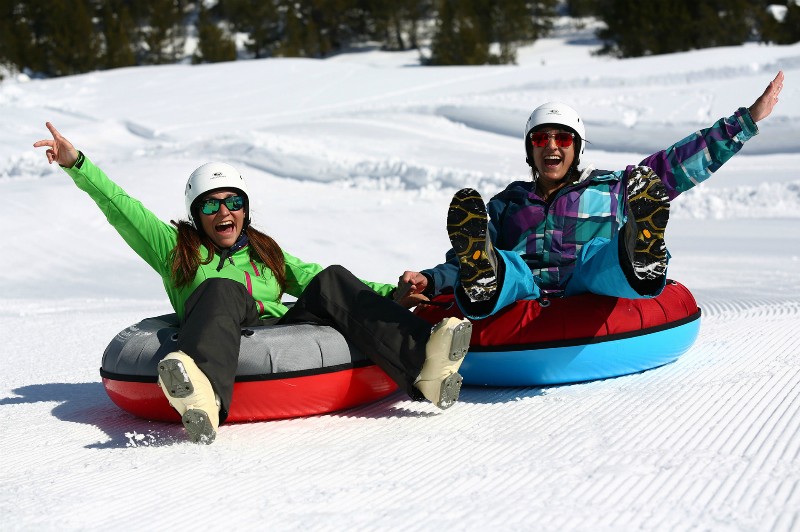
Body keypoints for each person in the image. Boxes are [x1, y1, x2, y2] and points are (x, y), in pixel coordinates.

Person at [34, 124, 472, 444]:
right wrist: (79, 165)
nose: (224, 212)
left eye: (234, 202)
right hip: (217, 324)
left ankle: (425, 368)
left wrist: (392, 294)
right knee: (223, 289)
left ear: (245, 208)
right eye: (211, 205)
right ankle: (204, 399)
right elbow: (123, 209)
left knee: (332, 276)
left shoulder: (265, 252)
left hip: (275, 328)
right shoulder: (175, 248)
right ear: (196, 213)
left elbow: (318, 281)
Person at [400, 71, 785, 318]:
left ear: (577, 147)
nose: (551, 145)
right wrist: (431, 281)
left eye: (562, 137)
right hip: (524, 291)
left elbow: (677, 165)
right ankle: (487, 279)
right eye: (540, 138)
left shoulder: (612, 187)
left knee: (597, 258)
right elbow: (458, 261)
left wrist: (744, 122)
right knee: (506, 265)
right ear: (530, 150)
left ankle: (638, 253)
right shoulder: (507, 203)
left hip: (586, 284)